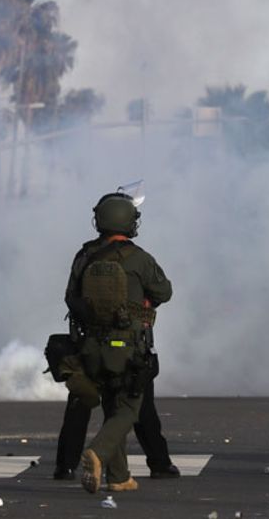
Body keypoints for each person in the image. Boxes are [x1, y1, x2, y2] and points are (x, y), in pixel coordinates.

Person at [65, 188, 173, 495]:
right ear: (128, 221)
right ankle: (97, 453)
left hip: (90, 347)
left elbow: (70, 298)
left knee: (113, 407)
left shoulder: (84, 255)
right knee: (129, 407)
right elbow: (164, 292)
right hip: (126, 347)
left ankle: (119, 476)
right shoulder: (139, 258)